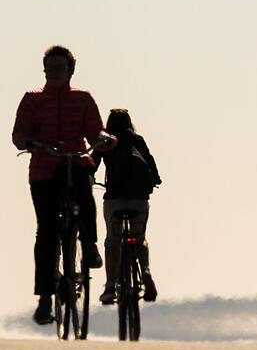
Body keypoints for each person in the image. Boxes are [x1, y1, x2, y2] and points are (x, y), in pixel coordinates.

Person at [12, 45, 115, 325]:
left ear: (71, 70)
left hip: (75, 163)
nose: (55, 73)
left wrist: (105, 138)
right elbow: (19, 132)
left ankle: (90, 245)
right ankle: (45, 298)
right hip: (44, 170)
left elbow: (95, 130)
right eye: (50, 68)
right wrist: (26, 141)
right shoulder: (32, 100)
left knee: (85, 192)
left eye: (61, 68)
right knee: (46, 231)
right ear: (44, 70)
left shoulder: (83, 99)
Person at [93, 109, 161, 305]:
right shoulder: (137, 140)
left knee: (112, 241)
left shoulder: (105, 142)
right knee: (139, 238)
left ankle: (110, 286)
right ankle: (146, 271)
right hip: (139, 199)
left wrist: (88, 178)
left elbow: (93, 164)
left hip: (114, 200)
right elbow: (149, 160)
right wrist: (155, 179)